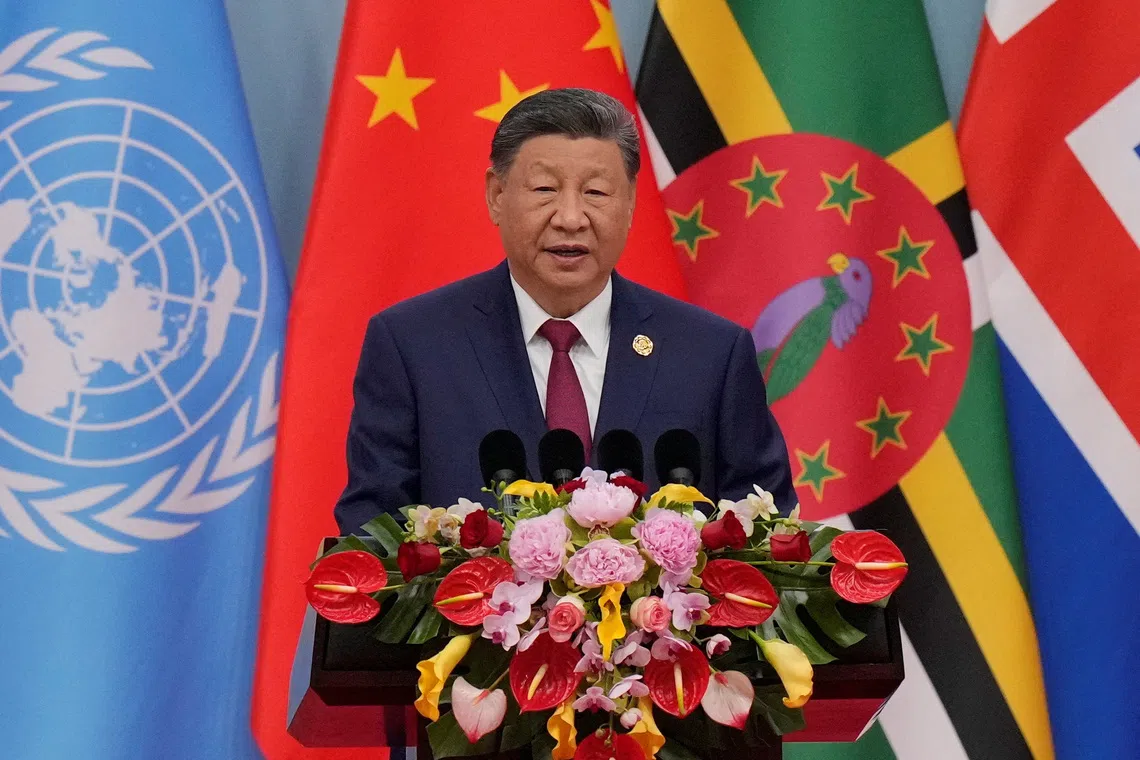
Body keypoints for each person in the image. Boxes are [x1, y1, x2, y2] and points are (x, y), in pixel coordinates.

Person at [335, 88, 793, 535]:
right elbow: (374, 536)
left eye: (596, 192)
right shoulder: (412, 345)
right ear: (497, 194)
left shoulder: (711, 352)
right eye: (545, 189)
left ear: (630, 201)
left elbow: (766, 536)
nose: (570, 217)